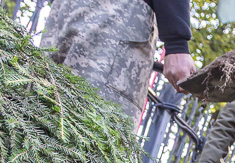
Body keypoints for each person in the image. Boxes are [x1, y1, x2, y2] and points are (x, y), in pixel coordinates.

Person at [41, 0, 196, 122]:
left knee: (38, 113)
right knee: (94, 134)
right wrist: (177, 44)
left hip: (64, 10)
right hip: (117, 18)